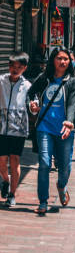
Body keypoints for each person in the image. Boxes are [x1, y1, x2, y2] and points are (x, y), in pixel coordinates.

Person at [28, 47, 75, 215]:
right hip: (44, 127)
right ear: (53, 60)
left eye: (66, 59)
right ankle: (43, 201)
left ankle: (61, 186)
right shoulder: (44, 78)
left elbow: (72, 103)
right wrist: (33, 104)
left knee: (65, 167)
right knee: (44, 163)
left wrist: (69, 121)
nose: (63, 62)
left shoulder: (73, 80)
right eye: (59, 58)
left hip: (65, 129)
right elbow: (31, 93)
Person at [0, 52, 31, 208]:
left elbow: (33, 105)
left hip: (18, 129)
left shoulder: (27, 86)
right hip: (1, 127)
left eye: (19, 67)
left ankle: (12, 194)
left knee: (14, 160)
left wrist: (33, 108)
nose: (15, 69)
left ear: (24, 68)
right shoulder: (1, 81)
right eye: (12, 66)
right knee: (1, 162)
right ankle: (5, 180)